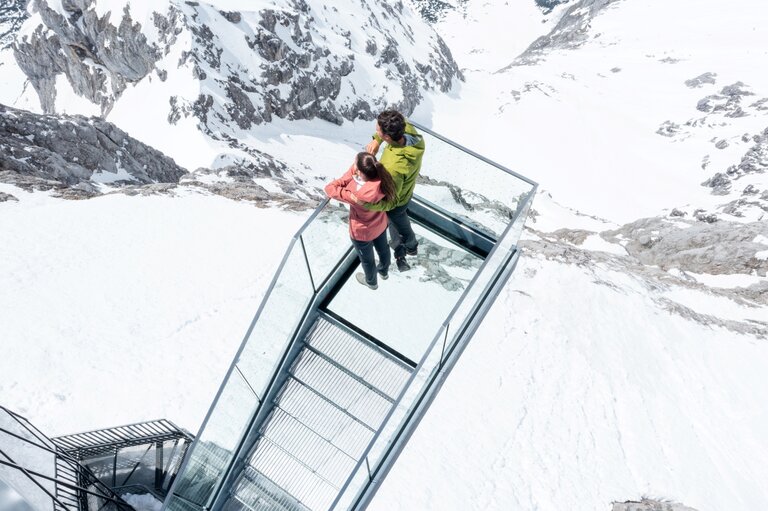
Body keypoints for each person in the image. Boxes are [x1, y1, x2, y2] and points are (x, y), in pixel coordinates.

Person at [358, 110, 425, 272]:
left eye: (378, 130)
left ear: (388, 137)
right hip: (406, 191)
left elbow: (391, 202)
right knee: (394, 221)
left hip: (398, 201)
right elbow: (402, 121)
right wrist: (377, 140)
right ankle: (401, 250)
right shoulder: (410, 134)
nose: (376, 131)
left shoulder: (394, 168)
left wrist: (366, 204)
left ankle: (411, 246)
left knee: (398, 220)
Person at [325, 152, 396, 290]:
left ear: (359, 170)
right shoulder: (381, 179)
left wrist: (347, 177)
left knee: (367, 260)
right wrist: (358, 168)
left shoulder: (357, 194)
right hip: (380, 224)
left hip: (362, 232)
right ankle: (384, 271)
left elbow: (330, 189)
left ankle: (371, 282)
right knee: (383, 249)